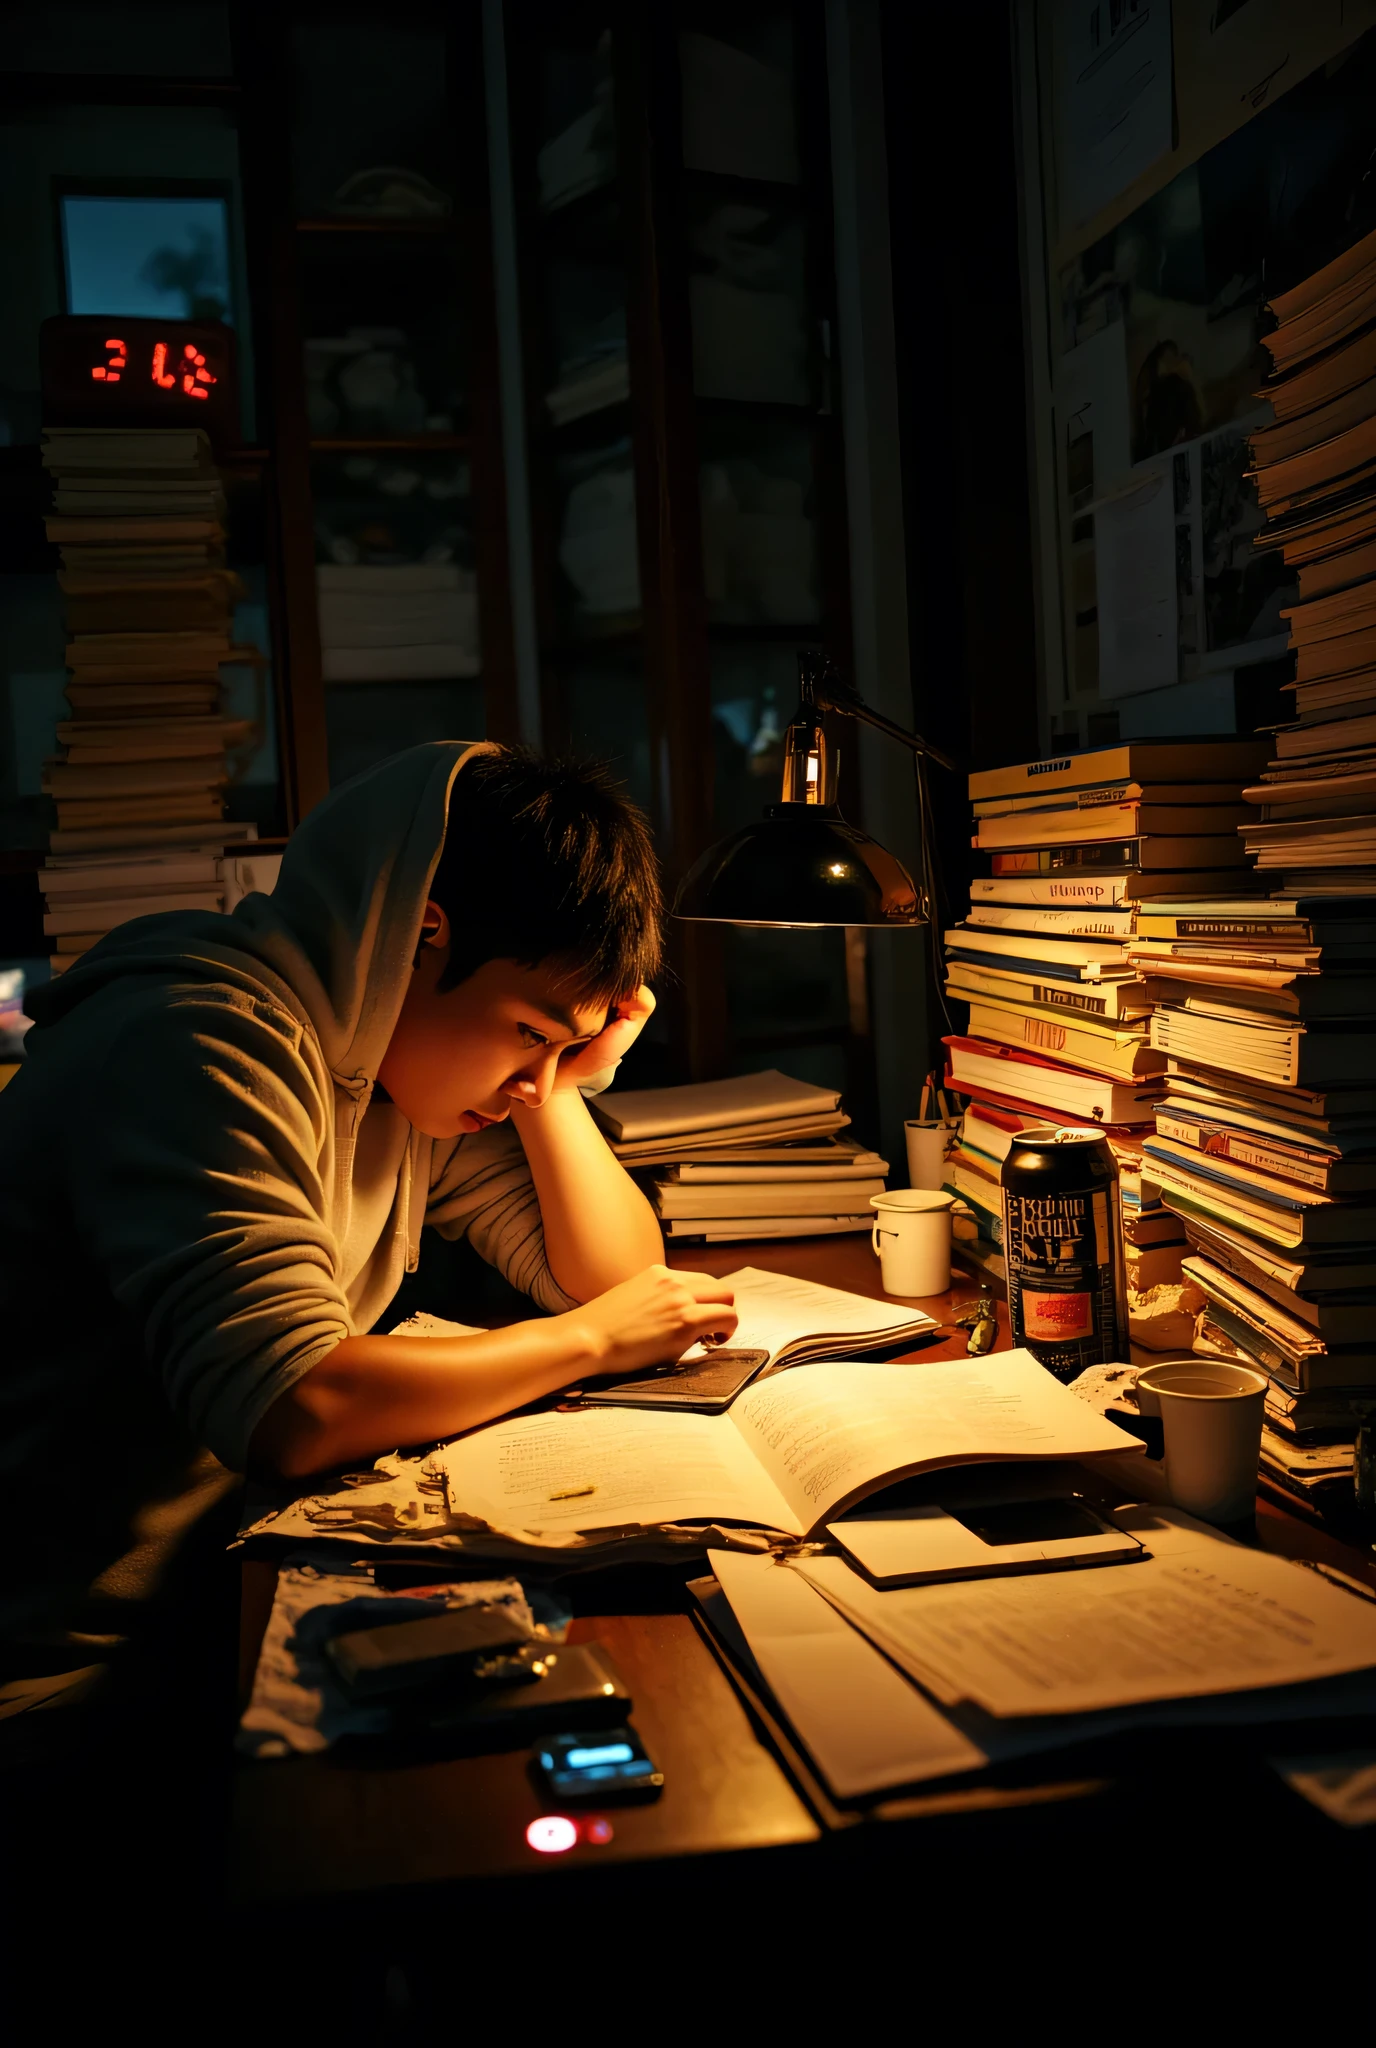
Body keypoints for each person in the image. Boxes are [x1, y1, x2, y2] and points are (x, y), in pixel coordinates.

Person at [0, 740, 737, 1669]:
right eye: (524, 1032)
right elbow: (293, 1405)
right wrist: (593, 1345)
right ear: (420, 936)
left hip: (214, 1595)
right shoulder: (197, 1042)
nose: (526, 1084)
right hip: (64, 1663)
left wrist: (560, 1080)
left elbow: (612, 1278)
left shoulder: (395, 1069)